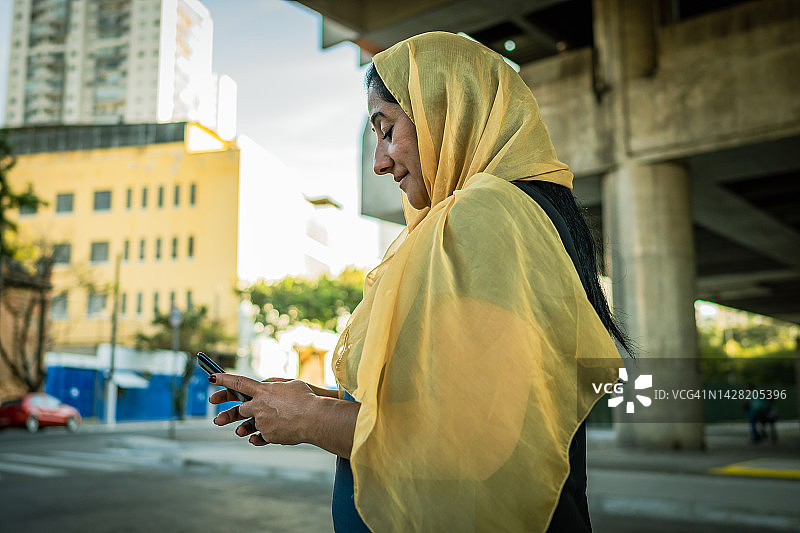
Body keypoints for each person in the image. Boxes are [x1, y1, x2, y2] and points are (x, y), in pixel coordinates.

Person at [208, 32, 627, 532]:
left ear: (446, 113)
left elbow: (466, 441)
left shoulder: (485, 216)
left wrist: (311, 419)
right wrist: (311, 400)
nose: (379, 162)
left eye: (387, 130)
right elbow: (455, 397)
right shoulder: (503, 217)